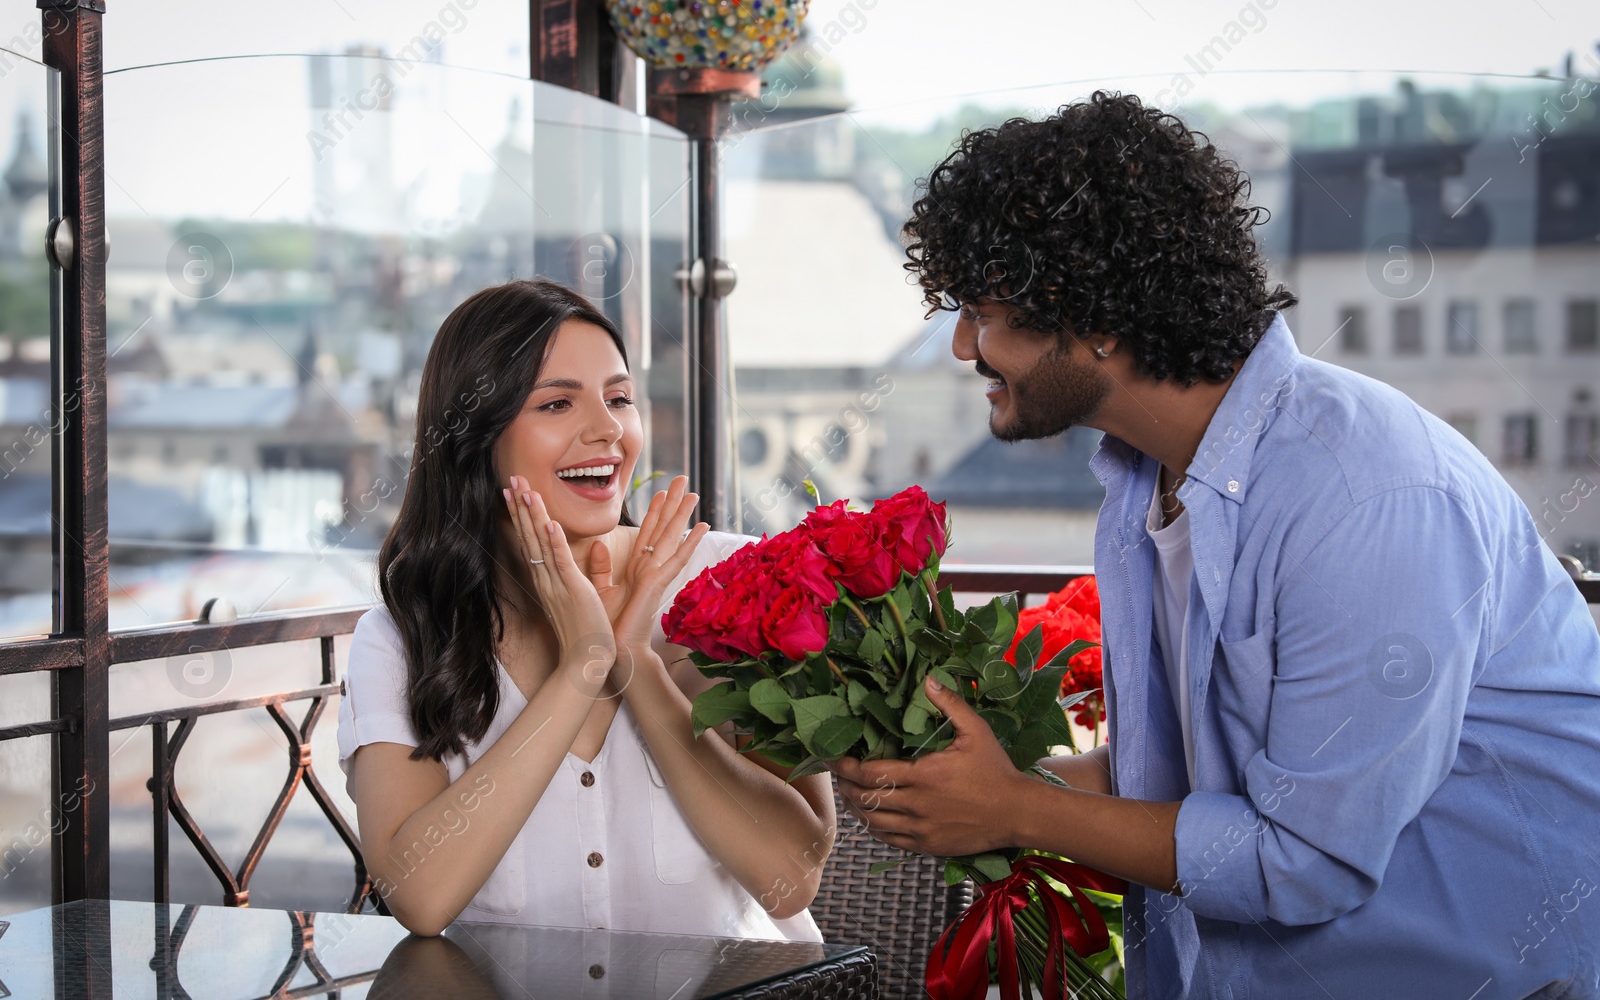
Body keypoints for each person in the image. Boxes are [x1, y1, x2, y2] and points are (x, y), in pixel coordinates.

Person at [830, 92, 1600, 998]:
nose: (962, 346)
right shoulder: (1139, 476)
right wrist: (975, 783)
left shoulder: (1367, 498)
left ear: (1099, 319)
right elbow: (1181, 772)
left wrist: (1015, 806)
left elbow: (1304, 861)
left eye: (984, 311)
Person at [337, 279, 833, 941]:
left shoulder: (733, 581)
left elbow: (790, 879)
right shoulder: (402, 636)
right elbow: (419, 898)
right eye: (558, 403)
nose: (606, 430)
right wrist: (582, 667)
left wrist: (638, 671)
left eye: (620, 398)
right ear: (476, 438)